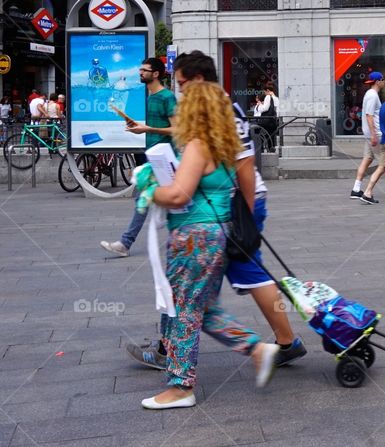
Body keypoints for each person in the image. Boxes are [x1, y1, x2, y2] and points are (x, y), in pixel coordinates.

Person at [125, 51, 305, 373]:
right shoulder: (215, 105)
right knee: (198, 283)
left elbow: (246, 165)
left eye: (181, 83)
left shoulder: (222, 108)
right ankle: (171, 348)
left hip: (233, 205)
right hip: (225, 205)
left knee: (242, 275)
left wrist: (246, 217)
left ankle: (284, 342)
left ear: (196, 79)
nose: (178, 90)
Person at [141, 81, 279, 409]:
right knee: (202, 307)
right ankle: (257, 349)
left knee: (185, 310)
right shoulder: (222, 144)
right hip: (215, 234)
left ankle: (180, 386)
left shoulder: (197, 145)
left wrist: (146, 188)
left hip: (194, 238)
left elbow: (178, 194)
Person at [101, 58, 177, 257]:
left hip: (164, 158)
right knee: (155, 201)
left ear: (156, 74)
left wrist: (148, 128)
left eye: (145, 70)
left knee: (144, 199)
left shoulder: (167, 97)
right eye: (140, 69)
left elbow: (178, 130)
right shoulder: (149, 96)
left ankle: (125, 243)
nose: (140, 72)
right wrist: (138, 129)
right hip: (151, 156)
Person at [350, 72, 385, 200]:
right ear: (377, 81)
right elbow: (369, 115)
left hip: (370, 133)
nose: (384, 82)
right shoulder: (372, 96)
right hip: (375, 134)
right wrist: (374, 134)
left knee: (368, 159)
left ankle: (356, 189)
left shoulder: (371, 94)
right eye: (383, 79)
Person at [259, 82, 278, 149]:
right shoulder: (275, 98)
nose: (264, 93)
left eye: (264, 91)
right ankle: (271, 149)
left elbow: (265, 108)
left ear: (267, 90)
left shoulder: (267, 97)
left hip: (266, 120)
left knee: (260, 134)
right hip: (272, 121)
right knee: (271, 136)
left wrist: (260, 106)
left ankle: (261, 150)